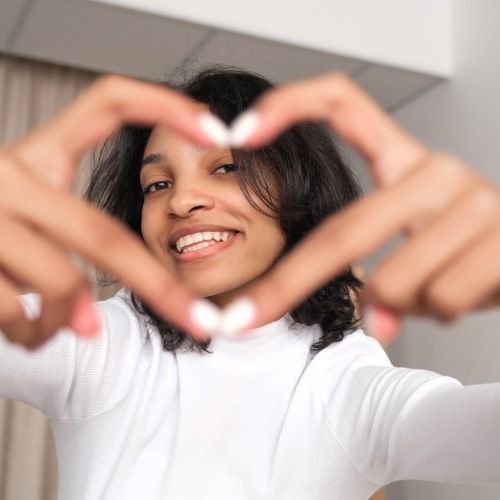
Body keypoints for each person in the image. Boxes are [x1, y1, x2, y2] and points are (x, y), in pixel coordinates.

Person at [0, 65, 499, 500]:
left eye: (226, 167)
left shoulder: (344, 383)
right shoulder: (102, 343)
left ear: (299, 190)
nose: (181, 201)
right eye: (157, 184)